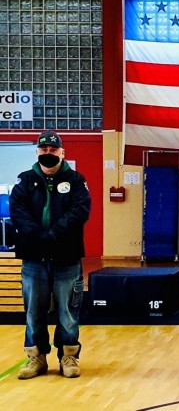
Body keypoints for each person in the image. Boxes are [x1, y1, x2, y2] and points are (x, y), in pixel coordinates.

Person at [9, 130, 91, 379]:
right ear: (37, 153)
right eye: (43, 150)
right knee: (34, 310)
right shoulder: (25, 181)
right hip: (33, 258)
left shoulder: (76, 181)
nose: (48, 154)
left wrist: (54, 234)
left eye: (53, 150)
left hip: (66, 256)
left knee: (67, 311)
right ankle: (36, 358)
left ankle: (68, 356)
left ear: (62, 152)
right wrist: (35, 234)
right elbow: (18, 210)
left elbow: (80, 211)